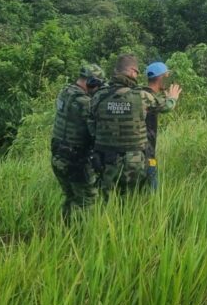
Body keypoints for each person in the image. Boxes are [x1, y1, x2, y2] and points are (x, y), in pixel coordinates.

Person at [89, 54, 181, 198]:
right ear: (132, 71)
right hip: (133, 162)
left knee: (106, 201)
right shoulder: (141, 96)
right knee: (132, 200)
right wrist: (173, 99)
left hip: (104, 160)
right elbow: (165, 107)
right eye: (137, 72)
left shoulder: (98, 96)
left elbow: (91, 124)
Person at [51, 64, 105, 221]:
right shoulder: (85, 103)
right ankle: (82, 237)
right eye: (98, 85)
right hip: (76, 160)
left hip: (58, 155)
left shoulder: (64, 92)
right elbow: (95, 132)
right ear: (92, 82)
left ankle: (65, 230)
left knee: (70, 197)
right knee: (87, 201)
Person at [142, 61, 181, 191]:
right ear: (160, 78)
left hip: (136, 151)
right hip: (146, 151)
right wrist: (172, 98)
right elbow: (166, 107)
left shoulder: (143, 94)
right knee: (152, 186)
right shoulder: (149, 98)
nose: (168, 79)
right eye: (166, 76)